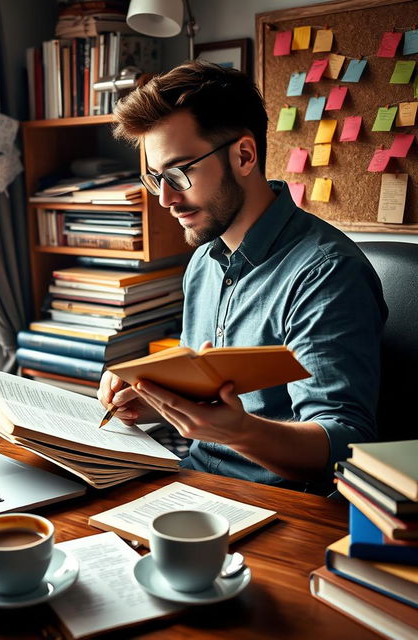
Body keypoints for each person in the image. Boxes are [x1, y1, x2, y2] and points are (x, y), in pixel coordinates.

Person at [98, 60, 387, 492]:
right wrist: (154, 399)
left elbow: (346, 445)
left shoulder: (326, 272)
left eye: (179, 173)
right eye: (156, 177)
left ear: (244, 155)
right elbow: (209, 390)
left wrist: (237, 431)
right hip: (195, 482)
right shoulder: (203, 262)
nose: (165, 198)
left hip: (282, 508)